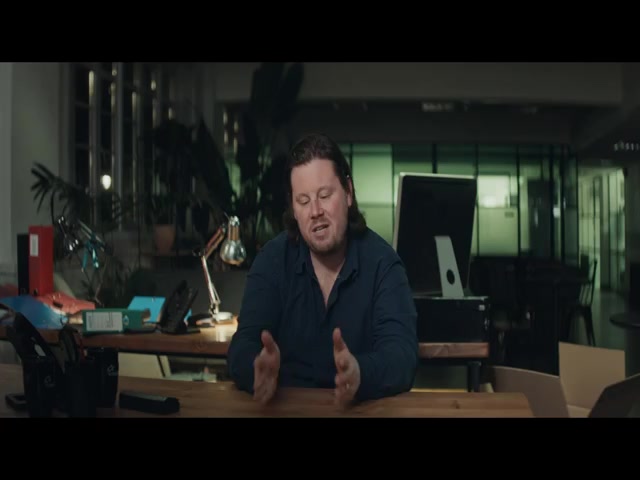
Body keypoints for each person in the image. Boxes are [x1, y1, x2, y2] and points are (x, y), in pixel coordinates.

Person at [227, 132, 418, 406]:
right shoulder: (272, 260)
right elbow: (242, 345)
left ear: (348, 192)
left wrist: (360, 373)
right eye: (303, 201)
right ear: (294, 210)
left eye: (325, 195)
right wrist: (255, 367)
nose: (315, 211)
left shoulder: (383, 264)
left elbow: (402, 356)